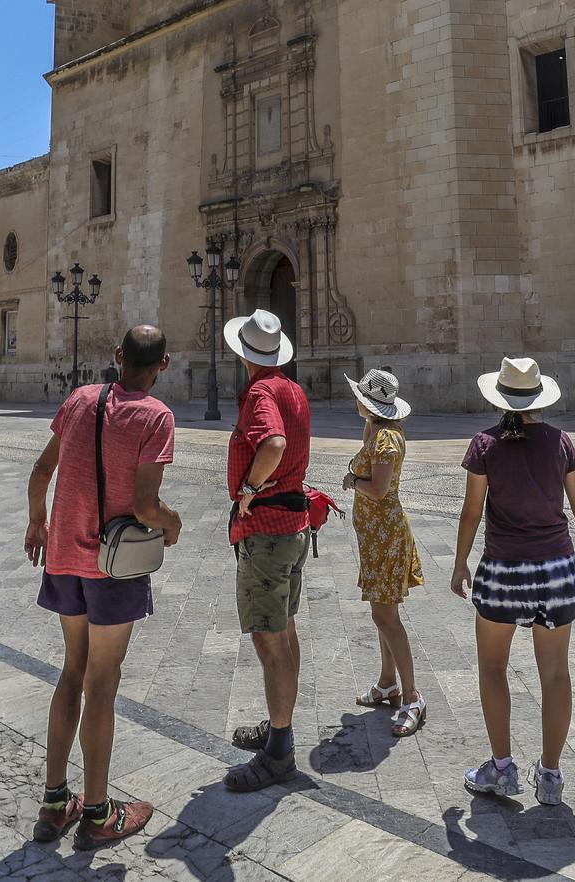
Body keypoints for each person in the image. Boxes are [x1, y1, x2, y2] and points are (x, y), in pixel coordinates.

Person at [23, 325, 182, 849]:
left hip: (64, 556)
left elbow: (42, 470)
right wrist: (173, 523)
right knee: (103, 684)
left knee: (71, 673)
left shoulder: (79, 400)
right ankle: (97, 813)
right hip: (113, 568)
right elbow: (144, 507)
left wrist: (36, 523)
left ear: (117, 357)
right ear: (162, 365)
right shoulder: (155, 416)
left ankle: (53, 802)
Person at [451, 357, 575, 806]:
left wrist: (460, 563)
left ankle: (502, 769)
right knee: (556, 674)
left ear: (500, 398)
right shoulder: (560, 443)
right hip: (557, 570)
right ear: (539, 398)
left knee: (492, 668)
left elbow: (471, 512)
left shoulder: (484, 445)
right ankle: (551, 775)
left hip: (503, 570)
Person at [222, 308, 311, 792]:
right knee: (285, 631)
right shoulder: (293, 389)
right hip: (293, 526)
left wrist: (248, 490)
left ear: (241, 352)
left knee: (268, 638)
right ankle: (280, 730)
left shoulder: (260, 392)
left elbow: (273, 442)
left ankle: (279, 752)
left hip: (269, 530)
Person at [342, 369, 426, 737]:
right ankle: (387, 682)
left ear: (369, 403)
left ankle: (412, 696)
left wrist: (352, 482)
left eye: (359, 395)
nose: (355, 400)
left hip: (386, 535)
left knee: (385, 615)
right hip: (375, 536)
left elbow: (378, 490)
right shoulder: (375, 431)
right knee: (383, 611)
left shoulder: (387, 439)